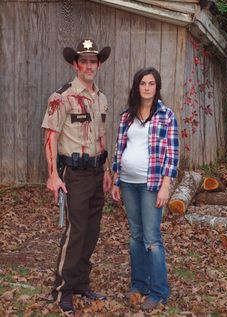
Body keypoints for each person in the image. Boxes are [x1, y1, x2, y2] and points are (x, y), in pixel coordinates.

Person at [41, 39, 112, 314]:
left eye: (93, 61)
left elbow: (101, 135)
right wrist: (52, 176)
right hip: (75, 175)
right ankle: (62, 290)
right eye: (84, 61)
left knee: (92, 231)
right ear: (75, 64)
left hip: (96, 172)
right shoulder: (62, 96)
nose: (89, 66)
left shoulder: (101, 97)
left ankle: (81, 282)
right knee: (77, 231)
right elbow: (51, 136)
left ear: (99, 64)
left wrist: (106, 171)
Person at [111, 67, 179, 311]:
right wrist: (116, 179)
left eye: (151, 83)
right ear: (137, 86)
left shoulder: (166, 116)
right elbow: (119, 150)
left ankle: (159, 291)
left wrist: (165, 187)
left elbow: (172, 155)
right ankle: (138, 285)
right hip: (128, 183)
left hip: (151, 186)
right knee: (135, 237)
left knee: (152, 239)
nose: (147, 87)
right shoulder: (126, 117)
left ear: (157, 87)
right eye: (143, 83)